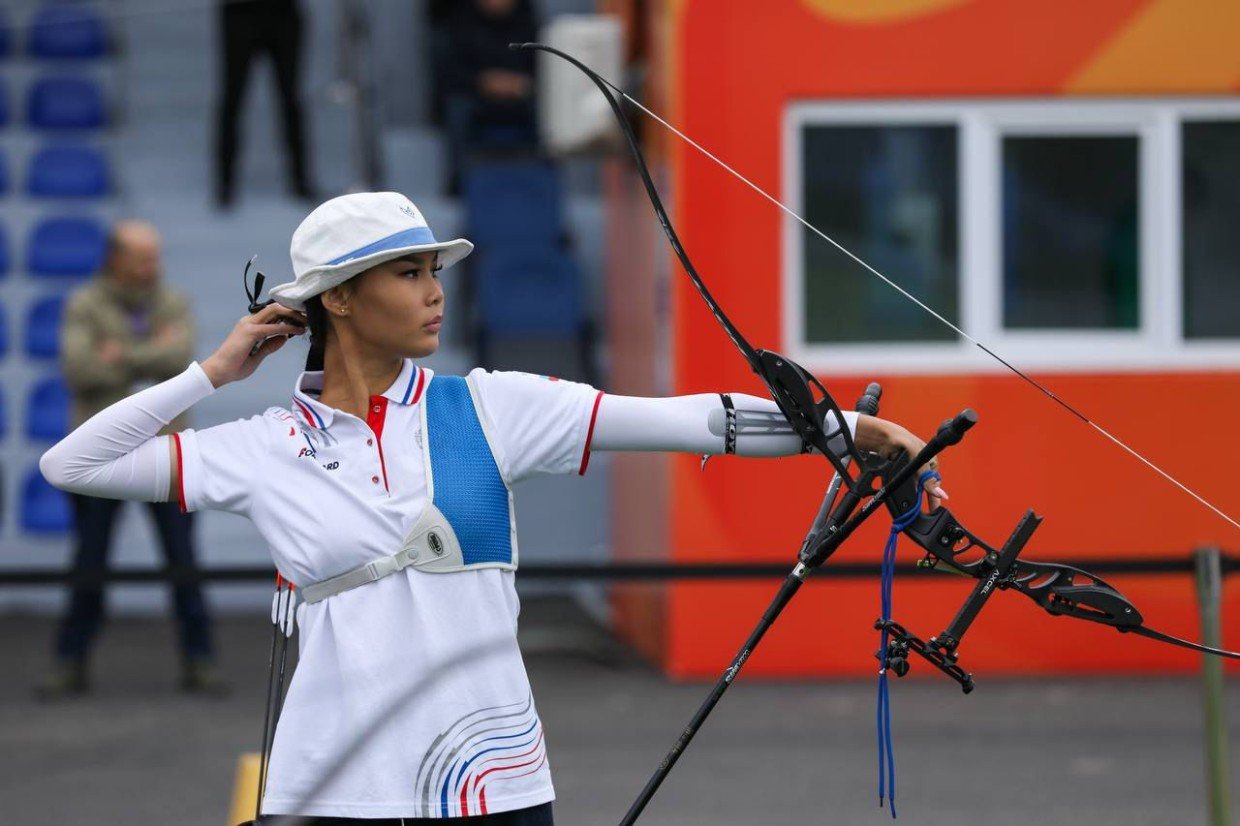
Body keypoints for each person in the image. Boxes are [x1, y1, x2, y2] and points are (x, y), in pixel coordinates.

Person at [39, 193, 946, 822]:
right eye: (406, 272)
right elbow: (73, 463)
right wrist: (213, 372)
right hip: (329, 785)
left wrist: (861, 433)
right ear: (338, 298)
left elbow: (693, 420)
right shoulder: (266, 445)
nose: (434, 291)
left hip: (491, 782)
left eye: (433, 270)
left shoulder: (490, 406)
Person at [37, 220, 228, 699]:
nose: (152, 266)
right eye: (143, 257)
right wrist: (153, 354)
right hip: (99, 459)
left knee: (183, 560)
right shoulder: (84, 303)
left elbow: (183, 361)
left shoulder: (174, 301)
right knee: (89, 561)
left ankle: (200, 661)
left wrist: (118, 354)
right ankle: (70, 663)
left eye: (155, 256)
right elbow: (79, 369)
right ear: (115, 258)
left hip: (170, 455)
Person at [214, 0, 314, 208]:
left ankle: (300, 180)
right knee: (233, 98)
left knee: (290, 99)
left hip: (282, 13)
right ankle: (224, 185)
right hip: (241, 12)